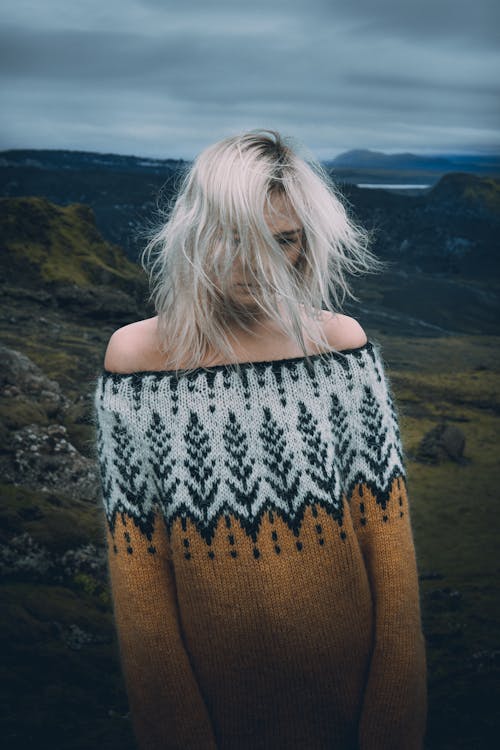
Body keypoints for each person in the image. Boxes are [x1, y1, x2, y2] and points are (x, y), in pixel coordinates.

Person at [92, 129, 428, 749]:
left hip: (350, 699)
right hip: (213, 709)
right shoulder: (137, 359)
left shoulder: (340, 348)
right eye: (238, 239)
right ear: (196, 231)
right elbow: (137, 565)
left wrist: (392, 721)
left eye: (284, 241)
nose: (261, 265)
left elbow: (389, 541)